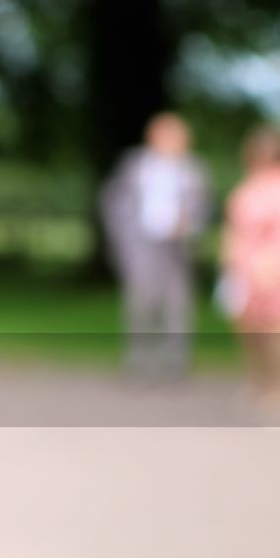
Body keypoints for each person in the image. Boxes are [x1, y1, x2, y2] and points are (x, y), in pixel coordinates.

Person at [101, 113, 212, 379]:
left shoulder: (194, 168)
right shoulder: (134, 163)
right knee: (140, 302)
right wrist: (123, 237)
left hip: (179, 246)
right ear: (154, 137)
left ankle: (175, 362)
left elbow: (203, 209)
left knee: (177, 304)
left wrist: (190, 226)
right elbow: (113, 201)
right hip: (141, 243)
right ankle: (138, 361)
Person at [221, 127, 280, 423]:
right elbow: (235, 226)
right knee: (251, 332)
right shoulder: (250, 182)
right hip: (245, 272)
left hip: (278, 271)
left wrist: (274, 267)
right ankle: (259, 383)